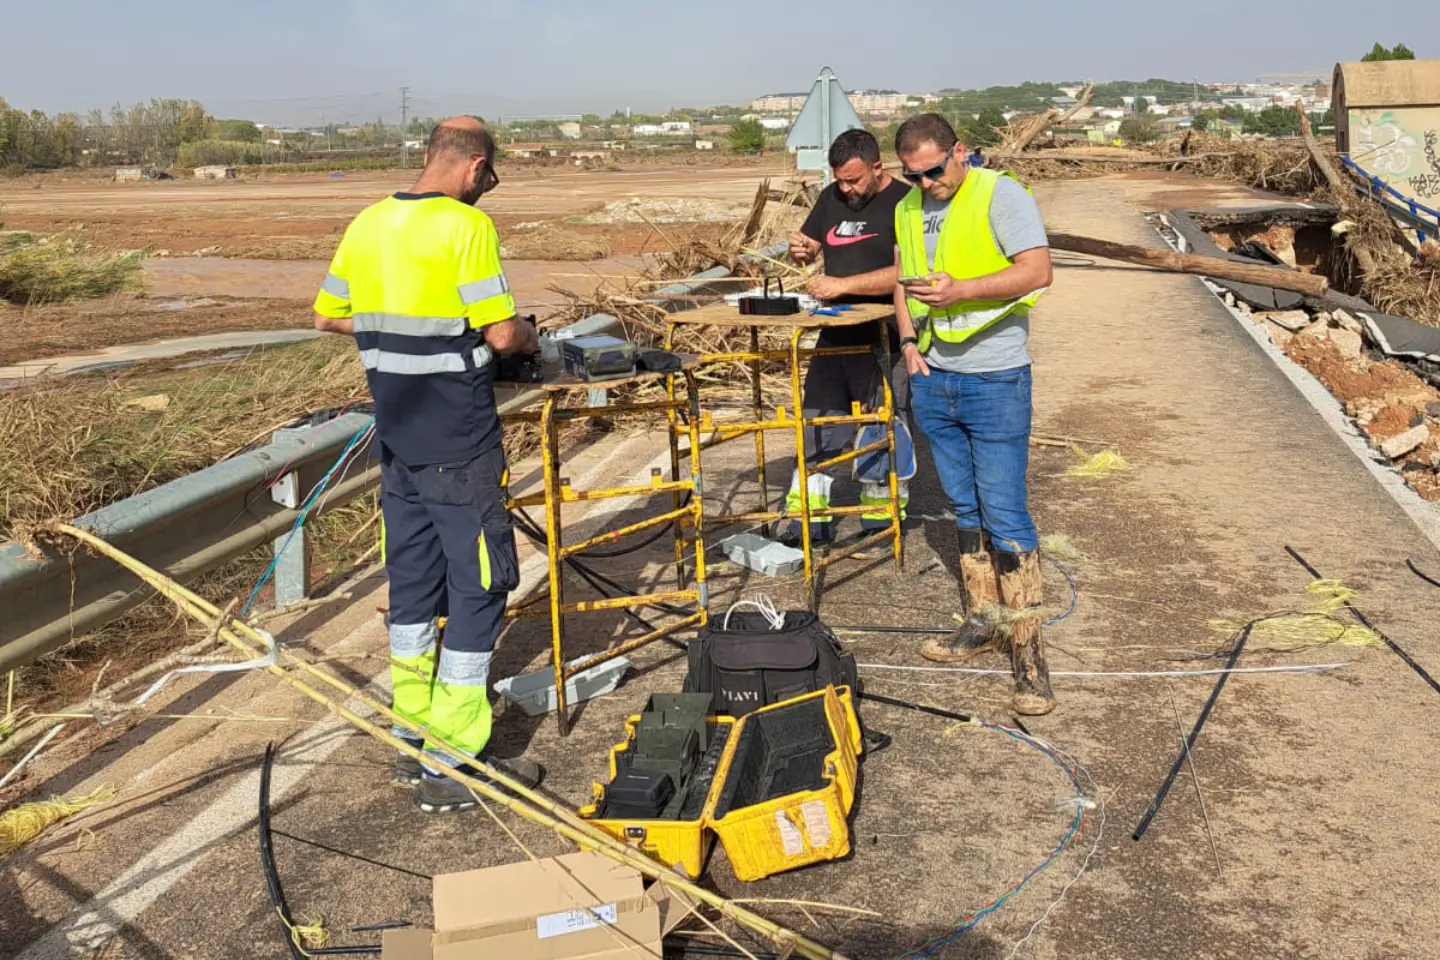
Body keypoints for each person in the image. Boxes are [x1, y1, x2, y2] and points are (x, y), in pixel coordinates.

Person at [313, 117, 544, 812]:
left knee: (413, 592)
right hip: (459, 439)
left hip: (399, 441)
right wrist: (520, 335)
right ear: (475, 169)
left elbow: (327, 316)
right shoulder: (465, 229)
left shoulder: (367, 223)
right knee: (480, 587)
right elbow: (502, 332)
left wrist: (398, 329)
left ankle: (410, 743)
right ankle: (453, 762)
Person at [890, 113, 1057, 716]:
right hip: (935, 376)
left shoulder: (1000, 193)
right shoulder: (909, 206)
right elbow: (902, 283)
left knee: (1005, 510)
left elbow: (1037, 271)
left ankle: (1028, 655)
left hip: (995, 378)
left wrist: (962, 290)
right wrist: (908, 344)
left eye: (935, 169)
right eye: (914, 174)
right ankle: (982, 619)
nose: (927, 182)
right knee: (964, 507)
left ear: (959, 151)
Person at [785, 128, 914, 546]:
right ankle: (810, 518)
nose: (846, 188)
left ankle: (880, 515)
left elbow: (909, 273)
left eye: (854, 180)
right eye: (840, 179)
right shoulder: (831, 198)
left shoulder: (905, 204)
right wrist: (802, 249)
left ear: (879, 167)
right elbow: (812, 243)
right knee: (818, 420)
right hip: (835, 331)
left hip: (886, 337)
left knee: (882, 423)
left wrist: (843, 285)